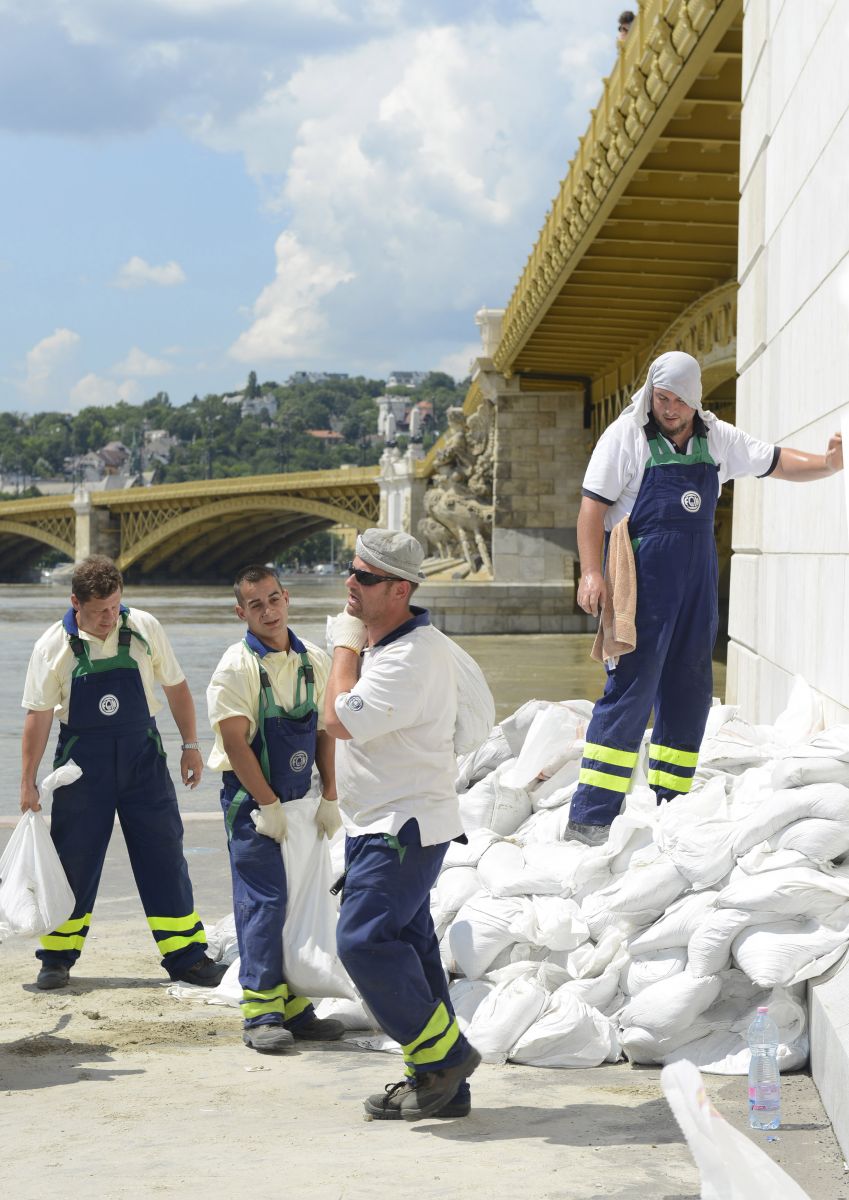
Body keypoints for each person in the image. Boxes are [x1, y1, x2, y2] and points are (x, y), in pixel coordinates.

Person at [568, 350, 844, 846]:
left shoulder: (718, 437)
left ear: (696, 400)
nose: (669, 409)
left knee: (689, 689)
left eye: (678, 401)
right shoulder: (626, 436)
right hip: (642, 582)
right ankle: (591, 815)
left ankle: (671, 804)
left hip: (697, 584)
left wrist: (826, 464)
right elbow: (592, 511)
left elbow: (777, 461)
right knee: (631, 690)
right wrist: (591, 573)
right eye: (661, 397)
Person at [324, 529, 480, 1122]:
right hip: (385, 822)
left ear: (399, 589)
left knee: (361, 942)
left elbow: (337, 718)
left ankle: (446, 1057)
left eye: (363, 578)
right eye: (351, 571)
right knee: (411, 949)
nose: (350, 584)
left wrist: (343, 646)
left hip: (402, 826)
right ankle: (443, 1087)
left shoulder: (409, 658)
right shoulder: (388, 646)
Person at [19, 554, 225, 991]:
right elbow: (37, 717)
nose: (108, 618)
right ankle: (57, 957)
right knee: (74, 860)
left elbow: (177, 688)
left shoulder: (144, 629)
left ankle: (186, 956)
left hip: (143, 759)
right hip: (81, 766)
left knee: (164, 855)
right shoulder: (51, 646)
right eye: (98, 612)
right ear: (75, 602)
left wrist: (190, 746)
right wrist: (27, 781)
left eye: (114, 607)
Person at [206, 565, 344, 1052]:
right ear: (240, 612)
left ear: (287, 598)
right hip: (251, 803)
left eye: (273, 599)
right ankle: (261, 1013)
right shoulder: (236, 668)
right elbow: (235, 744)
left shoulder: (315, 661)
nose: (268, 611)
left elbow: (325, 731)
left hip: (302, 802)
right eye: (256, 605)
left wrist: (328, 794)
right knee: (263, 903)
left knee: (302, 898)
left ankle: (296, 1006)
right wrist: (267, 805)